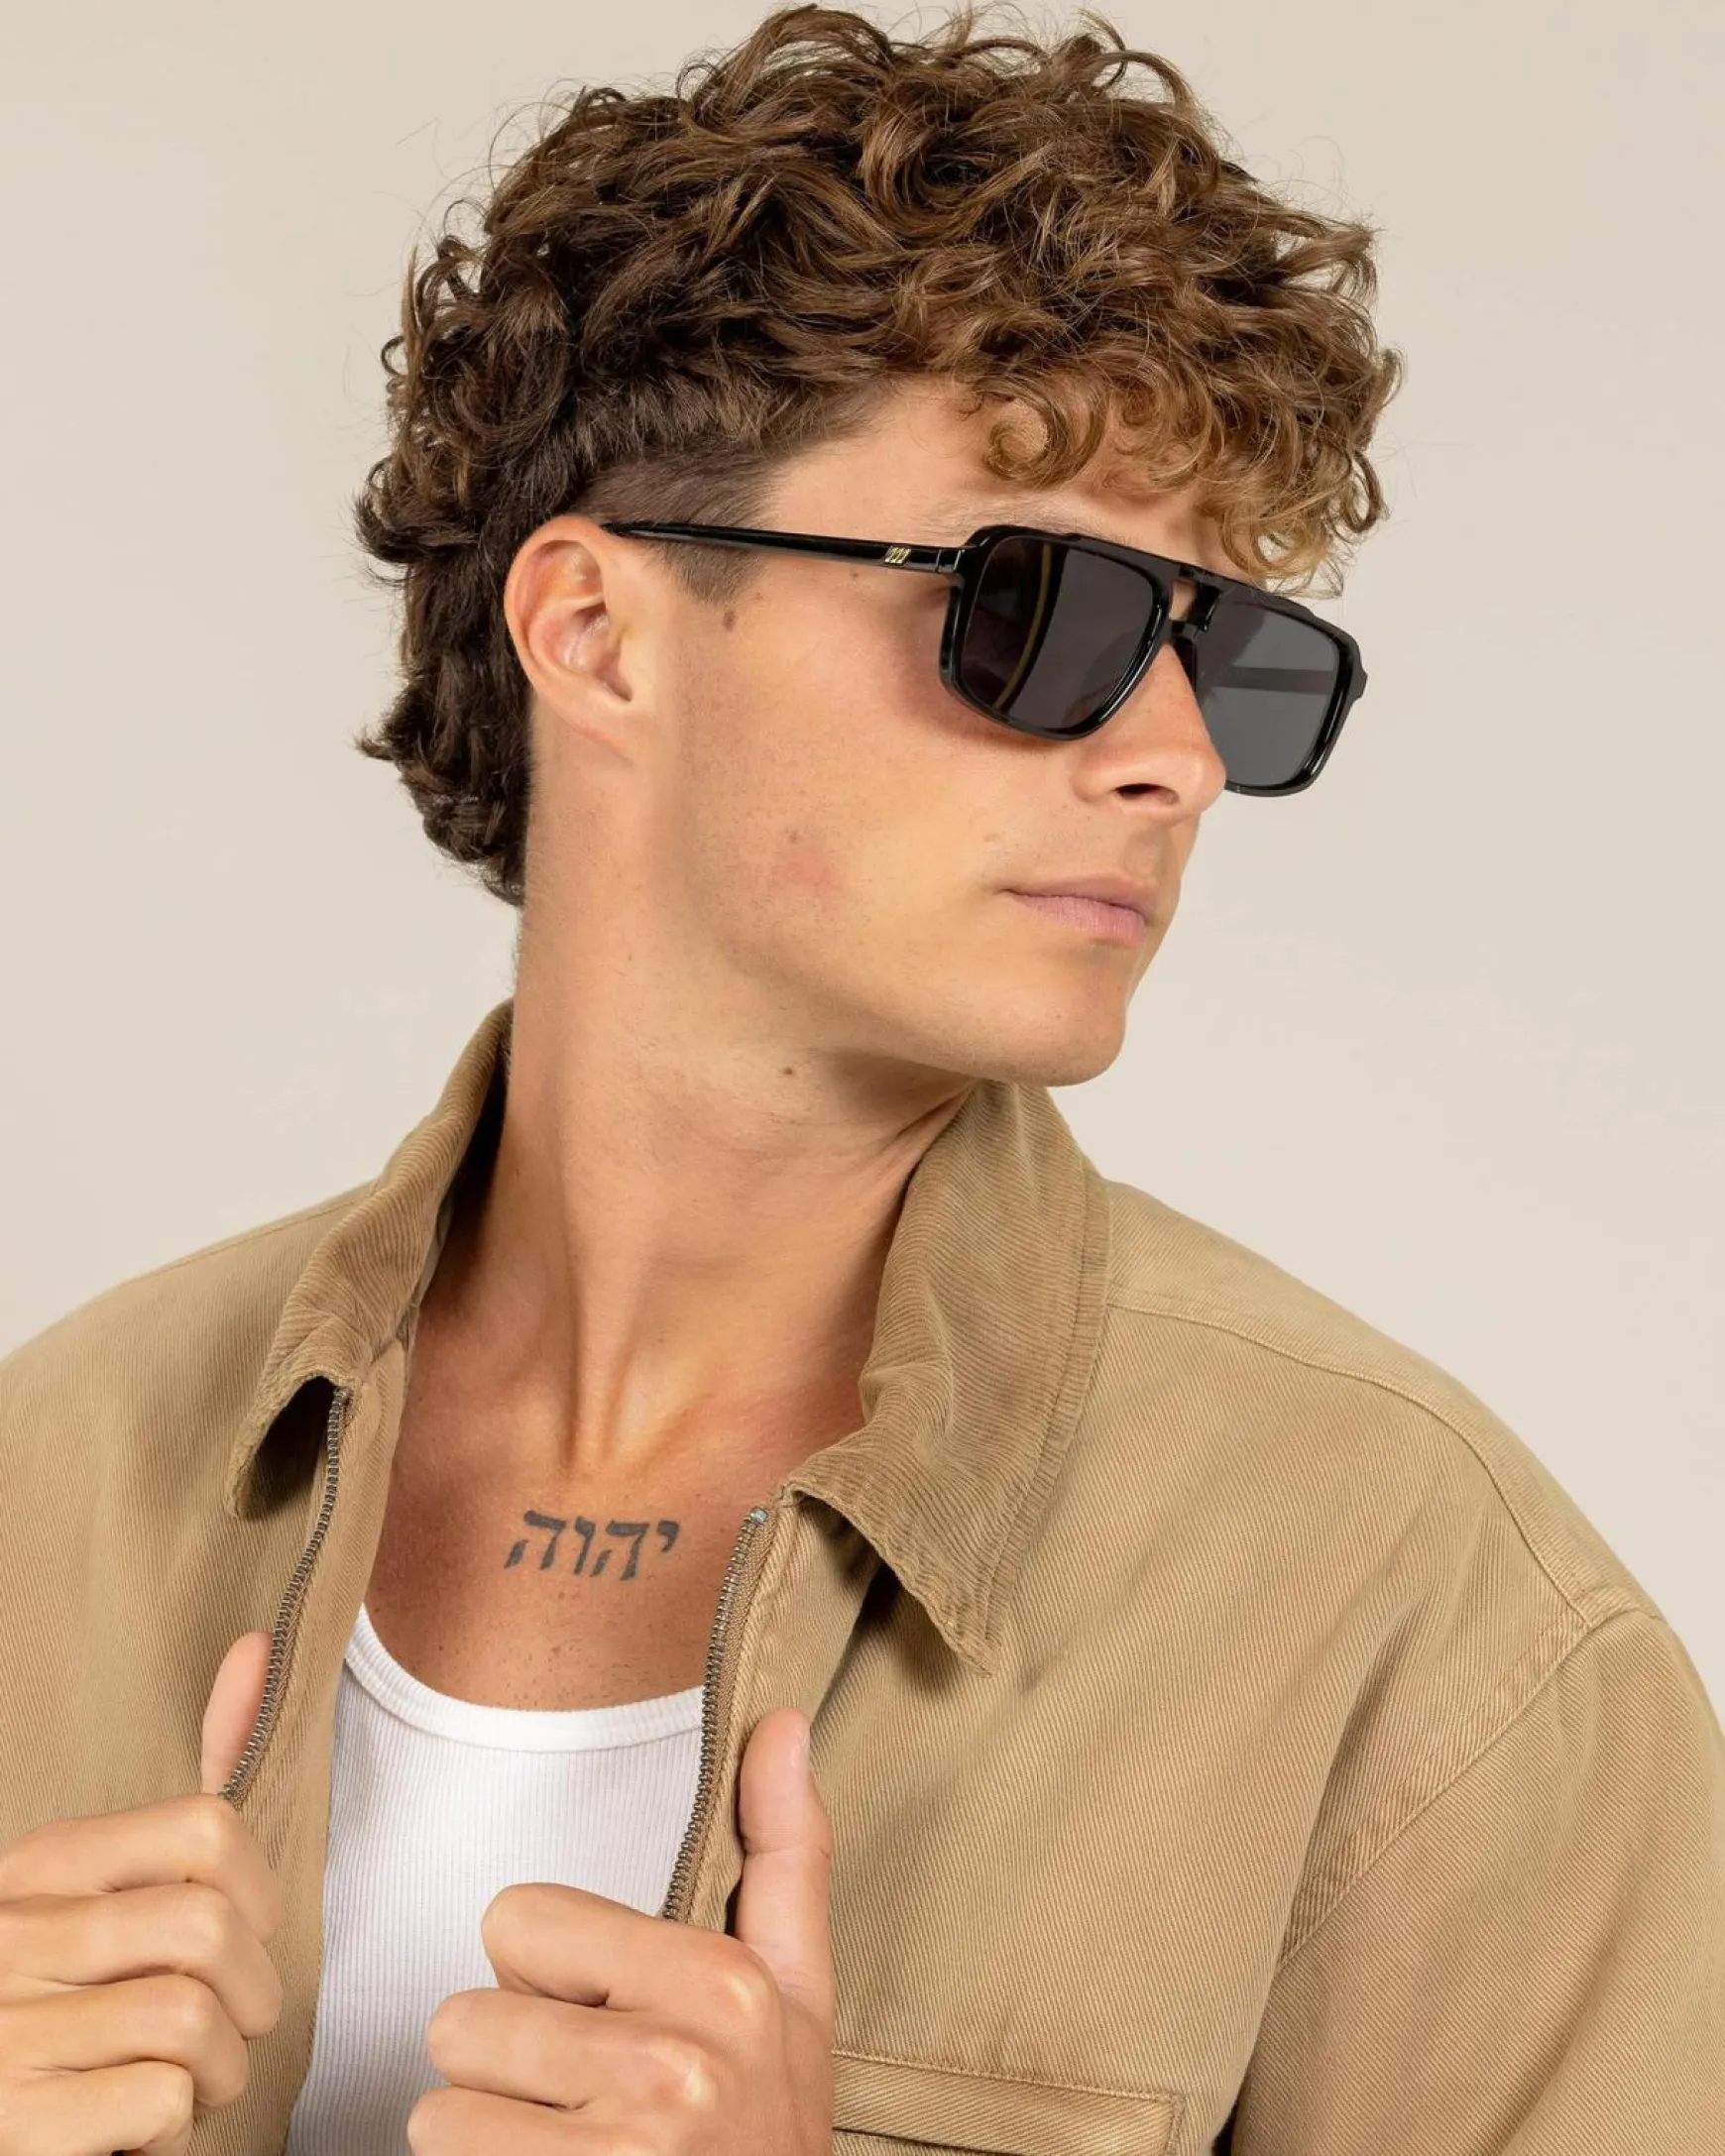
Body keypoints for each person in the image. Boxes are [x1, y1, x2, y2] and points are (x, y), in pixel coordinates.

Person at [2, 5, 1720, 2154]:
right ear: (595, 630)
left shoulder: (1410, 1602)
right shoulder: (58, 1481)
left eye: (1232, 657)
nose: (1175, 756)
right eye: (1048, 615)